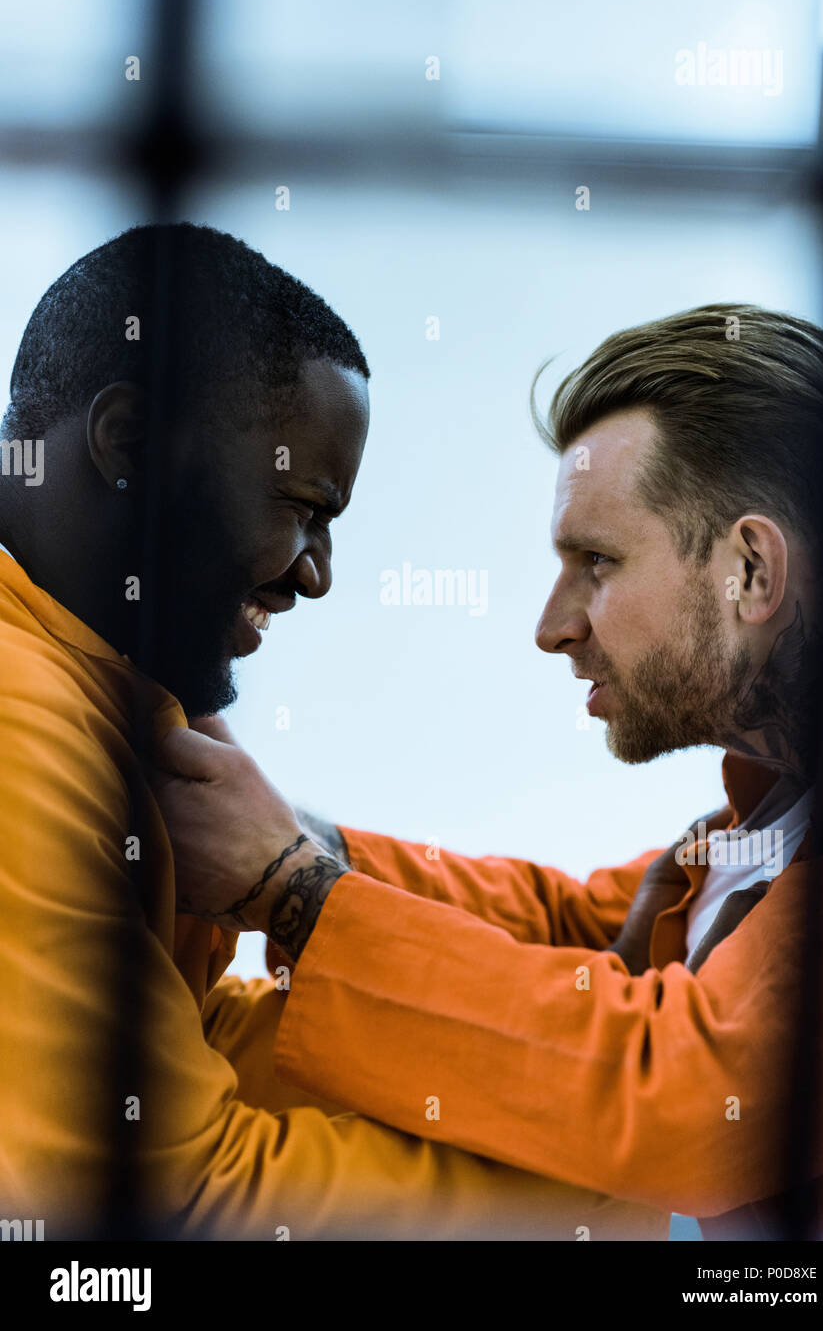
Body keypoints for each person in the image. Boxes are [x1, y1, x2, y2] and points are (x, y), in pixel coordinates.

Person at [0, 222, 668, 1240]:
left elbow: (186, 1042)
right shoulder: (26, 726)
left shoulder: (97, 677)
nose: (315, 574)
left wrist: (557, 1064)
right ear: (127, 446)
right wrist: (612, 1177)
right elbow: (167, 1207)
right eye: (304, 509)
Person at [155, 304, 823, 1240]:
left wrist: (293, 890)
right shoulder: (780, 810)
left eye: (597, 563)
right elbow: (570, 937)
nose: (552, 625)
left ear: (749, 571)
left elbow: (696, 1091)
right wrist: (299, 847)